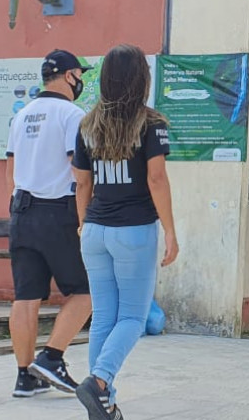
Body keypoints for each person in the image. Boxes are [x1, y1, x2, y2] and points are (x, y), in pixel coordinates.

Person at [71, 44, 179, 420]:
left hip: (95, 230)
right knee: (132, 318)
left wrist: (84, 223)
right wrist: (170, 230)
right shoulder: (152, 124)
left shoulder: (87, 125)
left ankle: (105, 404)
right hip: (133, 232)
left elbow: (81, 185)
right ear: (142, 80)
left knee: (103, 318)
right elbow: (156, 178)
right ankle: (99, 382)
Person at [5, 49, 93, 397]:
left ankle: (24, 376)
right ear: (71, 75)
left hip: (21, 210)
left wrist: (16, 208)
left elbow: (9, 171)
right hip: (60, 211)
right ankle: (51, 357)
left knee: (26, 296)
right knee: (87, 292)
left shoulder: (22, 115)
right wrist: (86, 216)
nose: (81, 81)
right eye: (79, 75)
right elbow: (80, 170)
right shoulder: (72, 115)